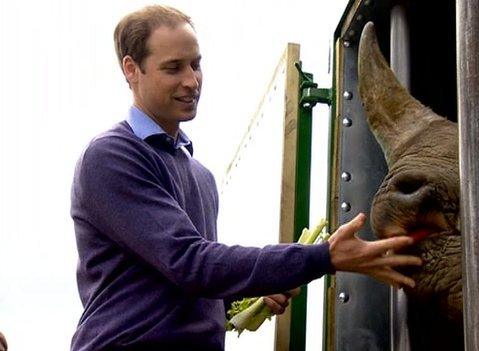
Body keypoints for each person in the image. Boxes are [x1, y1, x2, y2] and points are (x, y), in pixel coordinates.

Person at [70, 5, 422, 351]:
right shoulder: (112, 157)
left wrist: (244, 294)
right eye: (173, 68)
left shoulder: (199, 176)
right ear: (132, 70)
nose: (191, 81)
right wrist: (323, 257)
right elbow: (191, 264)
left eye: (196, 64)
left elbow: (180, 288)